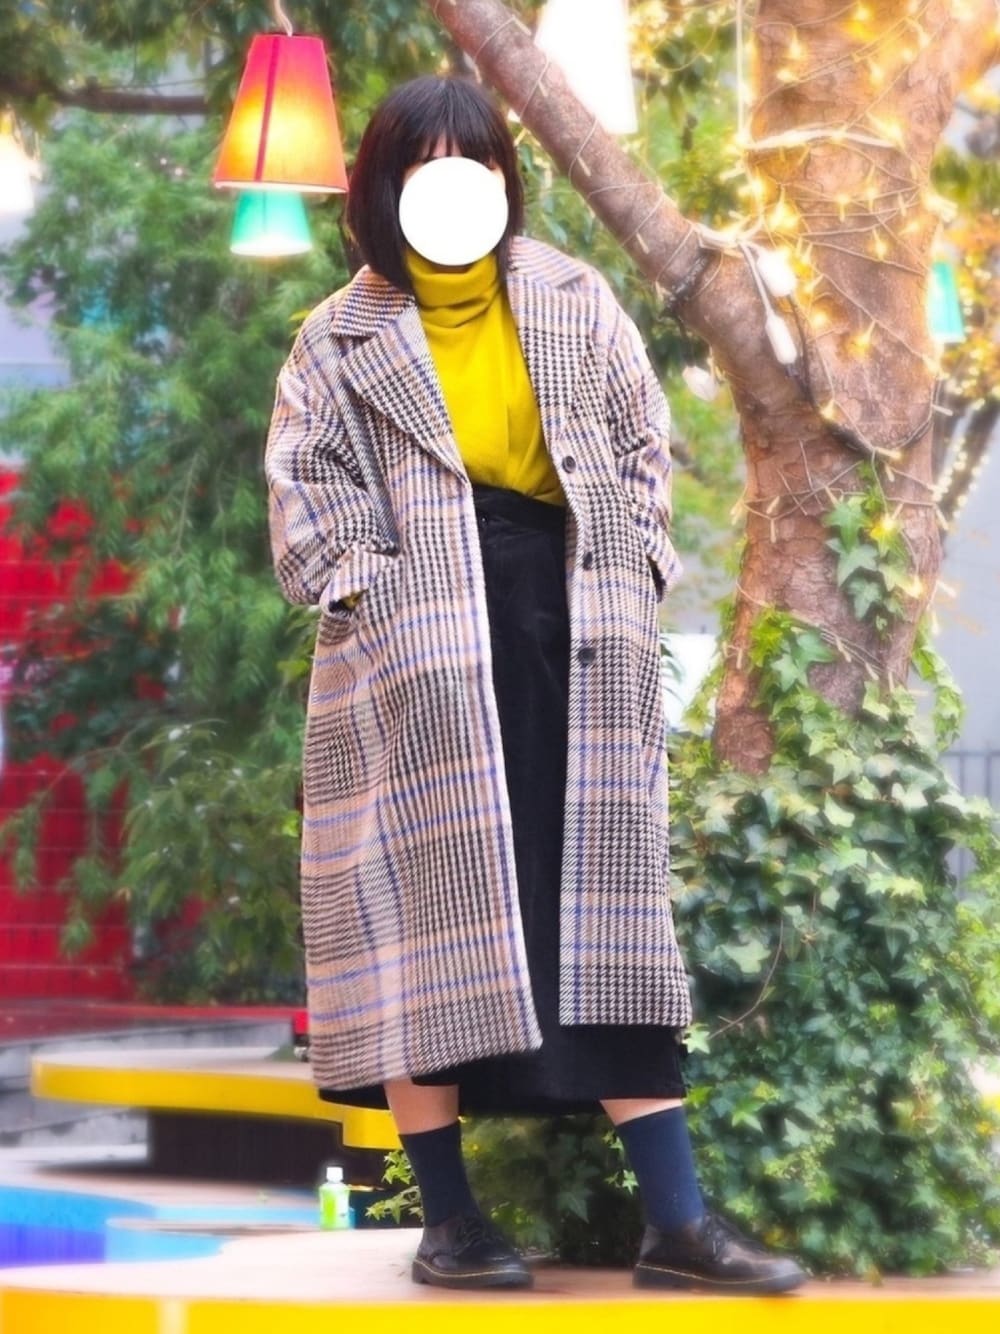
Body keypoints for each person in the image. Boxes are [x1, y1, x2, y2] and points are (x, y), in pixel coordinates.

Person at [265, 74, 805, 1295]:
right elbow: (307, 504)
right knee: (424, 920)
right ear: (382, 187)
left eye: (475, 164)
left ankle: (677, 1222)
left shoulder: (572, 295)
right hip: (415, 661)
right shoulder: (333, 338)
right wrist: (385, 604)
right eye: (425, 166)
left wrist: (633, 563)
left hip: (577, 631)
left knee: (607, 920)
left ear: (505, 181)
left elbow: (642, 446)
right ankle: (450, 1219)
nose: (452, 188)